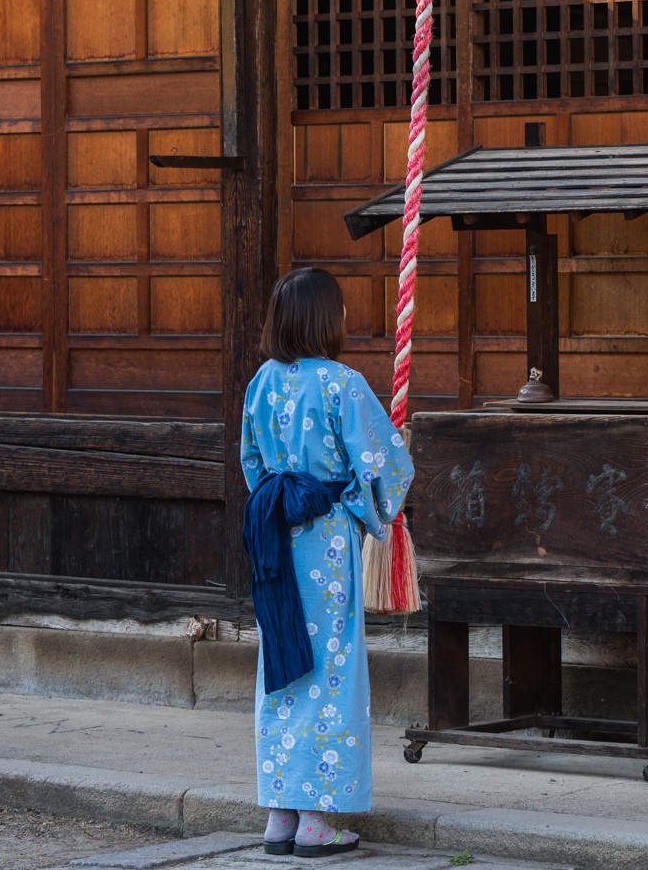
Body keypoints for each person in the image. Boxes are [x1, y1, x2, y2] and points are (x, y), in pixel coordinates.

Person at [239, 267, 413, 858]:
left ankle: (279, 814)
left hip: (275, 534)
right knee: (328, 670)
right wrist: (375, 503)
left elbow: (252, 463)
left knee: (282, 664)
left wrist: (283, 498)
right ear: (324, 319)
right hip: (327, 542)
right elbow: (385, 467)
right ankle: (318, 818)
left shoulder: (261, 382)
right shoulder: (342, 383)